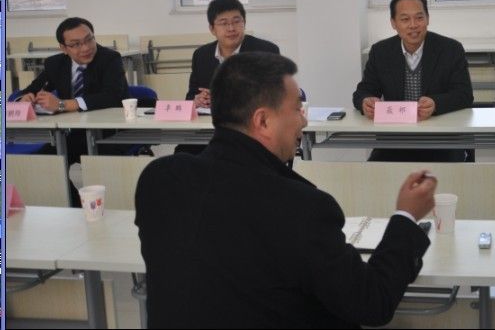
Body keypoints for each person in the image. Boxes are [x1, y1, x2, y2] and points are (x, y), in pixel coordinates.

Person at [136, 52, 437, 329]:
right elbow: (372, 302)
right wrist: (406, 217)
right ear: (263, 121)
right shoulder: (301, 208)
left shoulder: (159, 179)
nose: (304, 120)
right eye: (296, 109)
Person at [17, 17, 130, 203]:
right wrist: (25, 98)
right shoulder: (55, 64)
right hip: (70, 134)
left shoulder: (110, 59)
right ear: (63, 48)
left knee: (105, 170)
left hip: (108, 133)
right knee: (46, 165)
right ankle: (76, 206)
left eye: (89, 39)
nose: (85, 48)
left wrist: (63, 105)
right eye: (76, 44)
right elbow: (31, 89)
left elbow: (112, 96)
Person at [353, 0, 474, 162]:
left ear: (427, 19)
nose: (413, 25)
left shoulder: (450, 49)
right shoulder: (381, 52)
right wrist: (365, 101)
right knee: (374, 173)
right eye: (405, 19)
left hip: (441, 138)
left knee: (447, 172)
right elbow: (363, 91)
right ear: (393, 23)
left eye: (419, 18)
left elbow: (464, 95)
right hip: (396, 139)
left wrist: (436, 104)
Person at [186, 0, 280, 108]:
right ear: (212, 29)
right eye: (224, 23)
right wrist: (197, 101)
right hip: (210, 119)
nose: (231, 28)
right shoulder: (201, 55)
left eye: (236, 21)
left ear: (244, 23)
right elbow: (190, 97)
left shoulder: (266, 52)